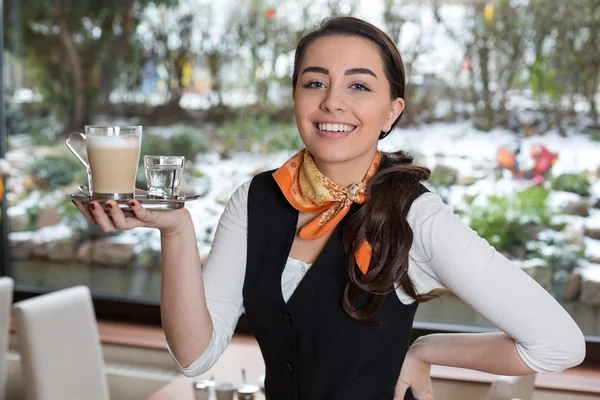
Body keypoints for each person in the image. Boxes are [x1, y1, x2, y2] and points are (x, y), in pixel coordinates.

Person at [73, 16, 585, 400]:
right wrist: (176, 231)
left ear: (391, 112)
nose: (332, 102)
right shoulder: (254, 202)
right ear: (296, 96)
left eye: (359, 86)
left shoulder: (416, 217)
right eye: (314, 82)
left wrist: (426, 350)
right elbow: (194, 356)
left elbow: (559, 345)